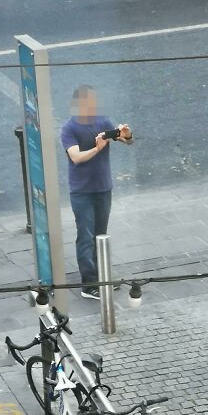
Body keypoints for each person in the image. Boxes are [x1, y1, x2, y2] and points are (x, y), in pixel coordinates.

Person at [60, 86, 133, 300]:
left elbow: (127, 141)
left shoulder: (102, 121)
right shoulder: (68, 128)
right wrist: (97, 148)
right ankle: (88, 283)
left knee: (100, 235)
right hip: (82, 192)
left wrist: (127, 135)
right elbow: (76, 157)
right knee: (86, 236)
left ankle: (102, 276)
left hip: (103, 188)